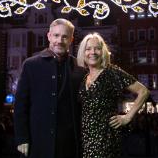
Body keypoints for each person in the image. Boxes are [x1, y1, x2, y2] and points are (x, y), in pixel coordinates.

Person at [14, 18, 86, 158]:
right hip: (38, 141)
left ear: (71, 39)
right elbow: (20, 106)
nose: (60, 40)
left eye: (65, 36)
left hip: (69, 144)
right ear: (49, 36)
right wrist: (22, 138)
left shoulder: (79, 68)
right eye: (56, 35)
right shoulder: (30, 65)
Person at [77, 32, 150, 158]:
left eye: (97, 48)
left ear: (103, 52)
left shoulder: (112, 72)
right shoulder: (84, 78)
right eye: (88, 49)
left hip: (106, 139)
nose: (92, 52)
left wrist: (127, 117)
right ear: (83, 53)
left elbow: (144, 91)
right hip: (85, 139)